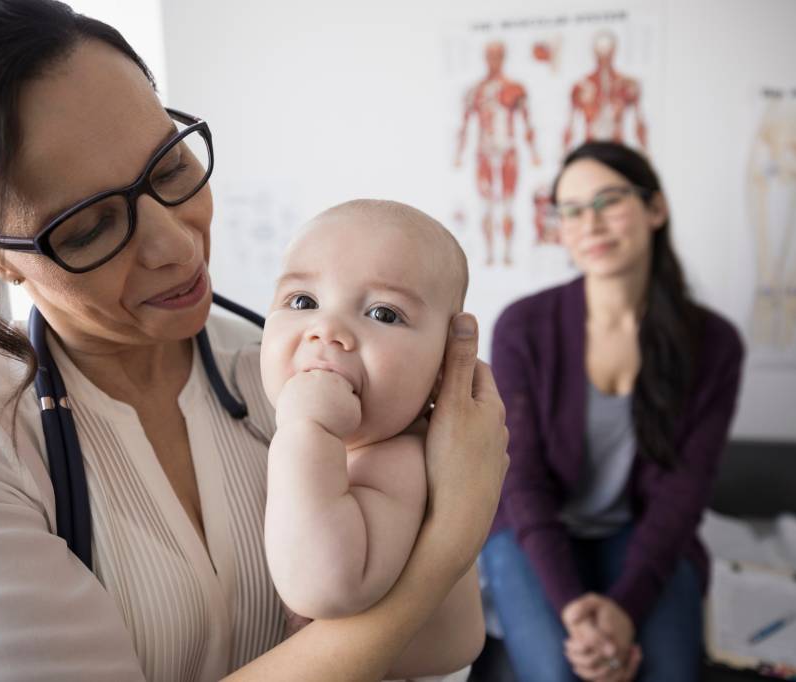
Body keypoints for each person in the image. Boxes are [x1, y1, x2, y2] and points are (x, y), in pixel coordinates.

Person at [0, 1, 509, 680]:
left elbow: (441, 650)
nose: (175, 245)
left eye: (169, 168)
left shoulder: (286, 366)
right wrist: (452, 535)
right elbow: (419, 587)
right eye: (90, 227)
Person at [482, 141, 744, 681]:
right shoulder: (521, 328)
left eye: (608, 201)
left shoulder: (714, 344)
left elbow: (683, 494)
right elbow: (521, 480)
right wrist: (576, 612)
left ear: (655, 208)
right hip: (532, 532)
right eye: (572, 210)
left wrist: (626, 609)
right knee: (560, 673)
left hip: (642, 533)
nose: (590, 224)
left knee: (669, 674)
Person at [260, 200, 479, 681]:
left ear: (442, 370)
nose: (327, 330)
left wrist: (306, 429)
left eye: (383, 313)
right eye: (303, 302)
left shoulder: (403, 461)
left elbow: (324, 587)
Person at [454, 41, 540, 267]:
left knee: (508, 204)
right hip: (484, 152)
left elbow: (527, 122)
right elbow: (464, 125)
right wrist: (458, 154)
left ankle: (508, 253)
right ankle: (490, 254)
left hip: (508, 151)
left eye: (498, 55)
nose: (494, 60)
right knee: (487, 205)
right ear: (485, 58)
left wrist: (534, 153)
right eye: (491, 55)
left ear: (504, 57)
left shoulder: (515, 89)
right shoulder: (475, 91)